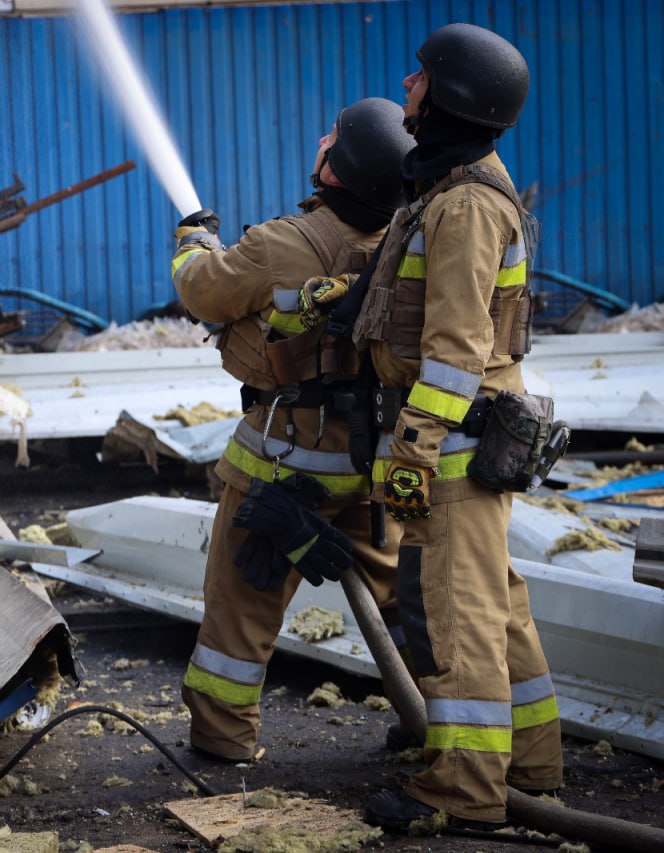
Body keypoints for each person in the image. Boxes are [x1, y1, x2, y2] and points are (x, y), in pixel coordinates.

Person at [351, 23, 564, 832]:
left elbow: (454, 351)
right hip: (469, 440)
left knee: (458, 614)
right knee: (495, 604)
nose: (408, 86)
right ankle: (532, 763)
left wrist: (413, 445)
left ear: (453, 97)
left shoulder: (467, 205)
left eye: (421, 77)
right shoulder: (455, 186)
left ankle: (466, 788)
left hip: (453, 444)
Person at [171, 97, 414, 763]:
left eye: (333, 136)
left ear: (337, 169)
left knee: (241, 606)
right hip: (375, 463)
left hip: (285, 466)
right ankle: (436, 730)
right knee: (403, 602)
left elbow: (203, 292)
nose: (322, 139)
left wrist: (193, 242)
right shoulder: (407, 242)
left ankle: (223, 741)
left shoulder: (282, 243)